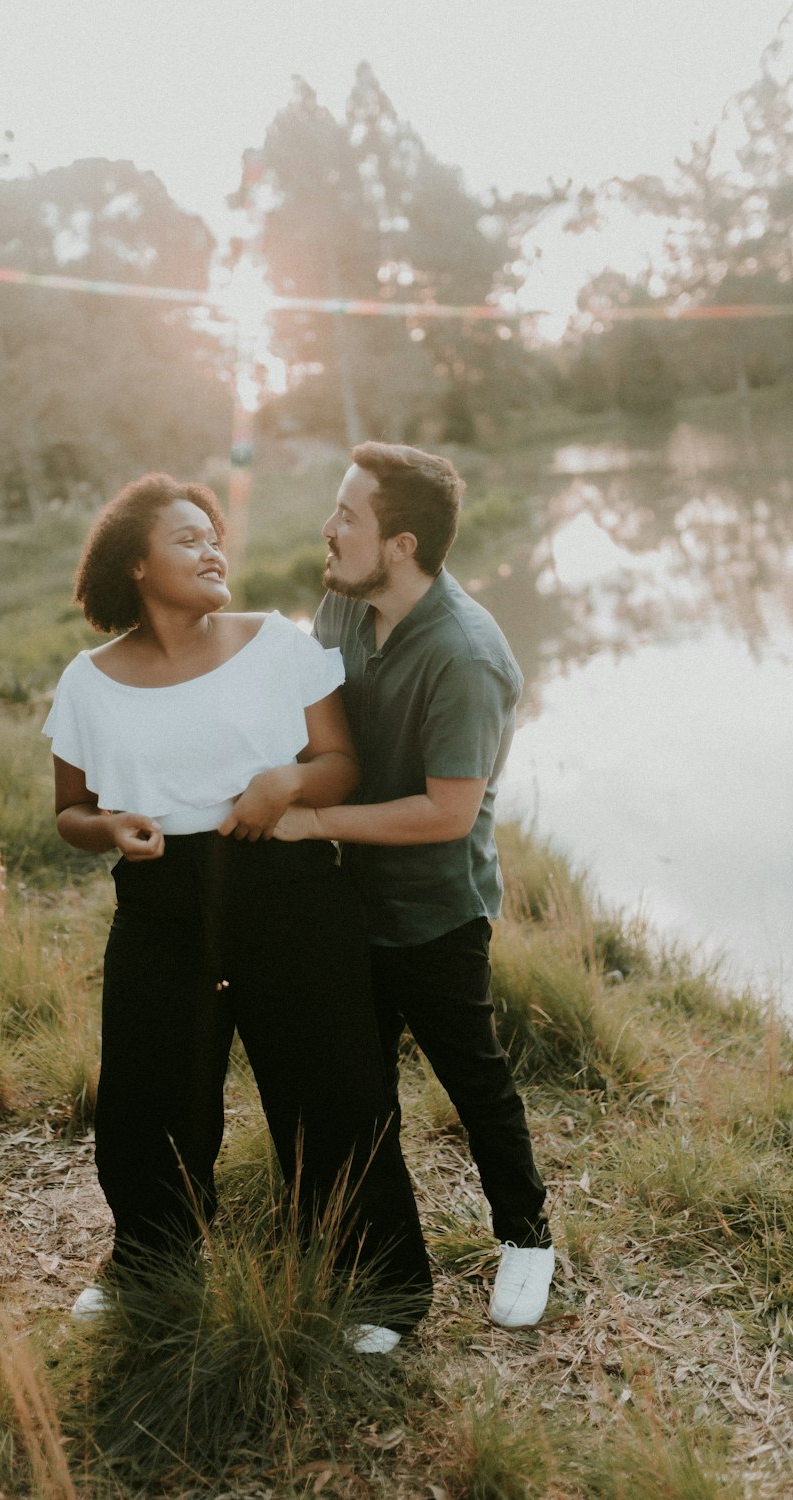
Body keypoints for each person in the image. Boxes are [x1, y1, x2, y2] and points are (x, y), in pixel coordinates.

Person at [42, 471, 431, 1351]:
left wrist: (288, 780)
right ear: (135, 566)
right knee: (149, 1098)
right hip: (159, 902)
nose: (212, 548)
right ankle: (149, 1262)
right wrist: (109, 829)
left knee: (331, 1086)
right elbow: (68, 814)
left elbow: (339, 764)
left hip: (285, 883)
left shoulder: (276, 643)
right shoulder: (88, 682)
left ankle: (377, 1288)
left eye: (214, 534)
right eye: (186, 538)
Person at [274, 442, 554, 1330]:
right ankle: (387, 1270)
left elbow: (445, 813)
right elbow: (309, 719)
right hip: (344, 903)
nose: (328, 528)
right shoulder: (343, 605)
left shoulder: (467, 656)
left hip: (436, 914)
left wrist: (315, 823)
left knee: (472, 1080)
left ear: (399, 544)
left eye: (347, 515)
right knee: (357, 1090)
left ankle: (528, 1235)